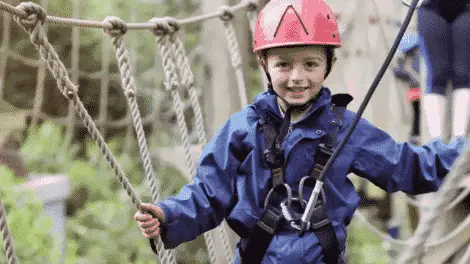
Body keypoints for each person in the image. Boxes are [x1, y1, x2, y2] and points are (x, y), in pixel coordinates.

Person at [135, 0, 467, 263]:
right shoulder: (242, 130)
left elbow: (404, 165)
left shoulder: (344, 130)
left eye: (310, 64)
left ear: (329, 65)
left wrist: (463, 155)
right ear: (265, 65)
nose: (297, 77)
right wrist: (167, 217)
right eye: (284, 64)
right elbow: (208, 194)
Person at [417, 0, 470, 139]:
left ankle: (459, 143)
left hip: (466, 8)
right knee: (436, 75)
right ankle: (437, 145)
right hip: (431, 7)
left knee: (463, 75)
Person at [393, 33, 422, 145]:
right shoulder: (417, 56)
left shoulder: (410, 57)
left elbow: (401, 73)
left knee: (416, 114)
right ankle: (415, 133)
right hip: (417, 91)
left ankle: (415, 134)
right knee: (418, 113)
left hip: (414, 91)